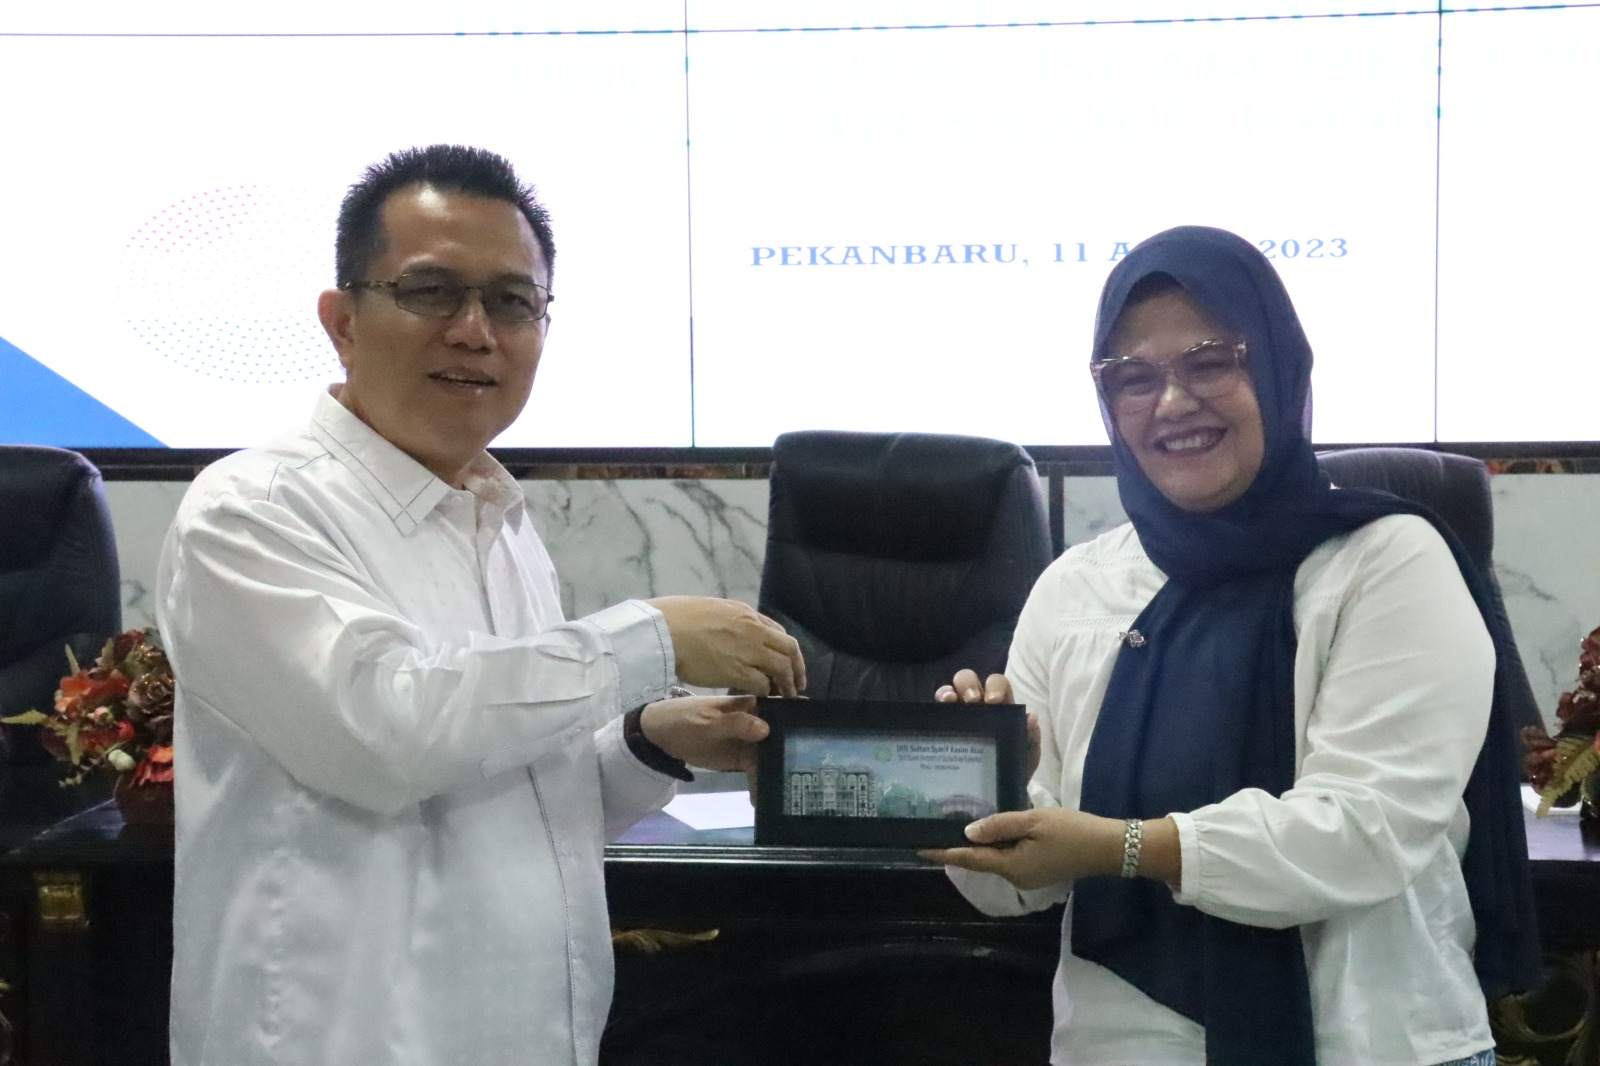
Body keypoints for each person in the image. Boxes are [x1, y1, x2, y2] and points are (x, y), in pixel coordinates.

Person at [156, 144, 805, 1066]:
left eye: (510, 302)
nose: (474, 331)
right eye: (430, 292)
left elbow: (519, 796)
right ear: (342, 322)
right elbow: (387, 735)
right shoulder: (254, 510)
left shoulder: (497, 519)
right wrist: (650, 637)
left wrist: (649, 742)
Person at [927, 225, 1539, 1066]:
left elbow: (1363, 832)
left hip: (1371, 1041)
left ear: (1280, 369)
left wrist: (1122, 847)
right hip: (1120, 1047)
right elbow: (1017, 892)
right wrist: (987, 783)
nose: (1172, 403)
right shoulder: (1075, 588)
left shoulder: (1385, 561)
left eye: (1210, 362)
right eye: (1133, 377)